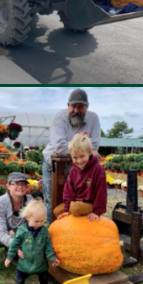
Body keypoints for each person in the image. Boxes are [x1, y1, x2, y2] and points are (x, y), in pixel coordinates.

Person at [42, 89, 101, 224]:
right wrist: (85, 149)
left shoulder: (93, 118)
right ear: (68, 106)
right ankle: (53, 235)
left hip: (79, 167)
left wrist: (86, 150)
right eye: (73, 106)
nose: (76, 110)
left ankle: (73, 233)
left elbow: (95, 145)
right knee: (53, 202)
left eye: (80, 106)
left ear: (87, 107)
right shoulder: (59, 117)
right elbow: (59, 146)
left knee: (78, 202)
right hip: (53, 165)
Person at [4, 199, 60, 284]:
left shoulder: (44, 231)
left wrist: (52, 257)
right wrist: (9, 257)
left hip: (40, 263)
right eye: (36, 221)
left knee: (44, 278)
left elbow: (48, 245)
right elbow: (14, 245)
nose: (39, 224)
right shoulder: (22, 230)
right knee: (19, 278)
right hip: (25, 262)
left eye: (42, 221)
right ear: (28, 218)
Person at [55, 133, 108, 222]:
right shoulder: (72, 171)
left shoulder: (98, 169)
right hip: (76, 202)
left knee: (76, 208)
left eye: (82, 156)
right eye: (75, 158)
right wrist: (66, 209)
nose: (79, 161)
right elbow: (68, 191)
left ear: (90, 152)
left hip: (89, 204)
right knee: (57, 211)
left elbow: (101, 192)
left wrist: (97, 211)